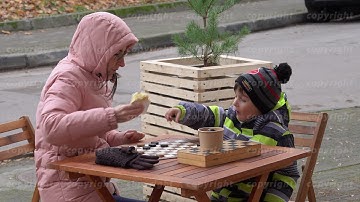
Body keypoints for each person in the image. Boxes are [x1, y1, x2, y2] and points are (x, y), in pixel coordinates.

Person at [35, 12, 148, 202]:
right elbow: (52, 127)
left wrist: (119, 138)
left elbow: (88, 136)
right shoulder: (68, 77)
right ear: (98, 50)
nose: (122, 63)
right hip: (68, 191)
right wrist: (112, 116)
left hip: (94, 187)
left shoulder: (94, 77)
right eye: (116, 55)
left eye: (124, 54)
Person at [165, 63, 298, 202]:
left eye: (243, 99)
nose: (235, 103)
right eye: (235, 96)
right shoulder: (231, 117)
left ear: (261, 107)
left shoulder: (278, 134)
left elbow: (287, 175)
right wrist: (185, 112)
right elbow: (208, 115)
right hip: (219, 196)